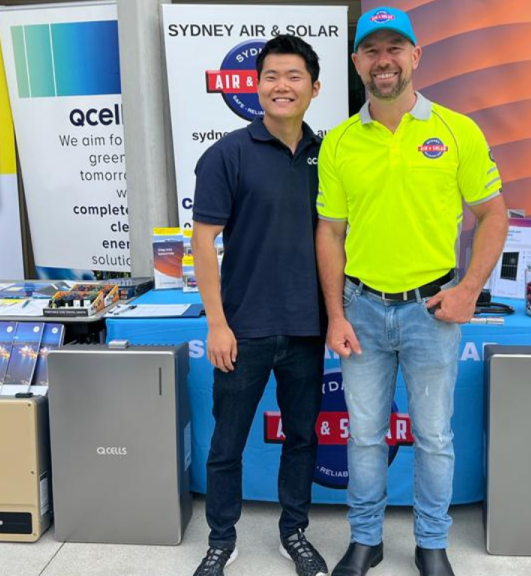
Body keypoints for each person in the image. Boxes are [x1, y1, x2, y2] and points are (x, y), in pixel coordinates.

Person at [315, 7, 509, 576]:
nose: (384, 60)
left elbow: (494, 215)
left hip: (433, 311)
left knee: (433, 437)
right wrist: (335, 314)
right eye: (371, 50)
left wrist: (470, 288)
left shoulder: (456, 131)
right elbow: (330, 232)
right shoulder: (340, 143)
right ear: (356, 62)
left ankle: (431, 544)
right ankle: (366, 540)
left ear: (416, 56)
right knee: (366, 438)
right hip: (362, 310)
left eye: (395, 48)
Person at [191, 34, 329, 576]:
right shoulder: (226, 154)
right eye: (271, 76)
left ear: (314, 88)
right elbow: (203, 244)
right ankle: (220, 540)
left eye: (294, 76)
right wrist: (218, 324)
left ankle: (294, 532)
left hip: (307, 329)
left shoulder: (329, 156)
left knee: (301, 439)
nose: (282, 86)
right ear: (256, 85)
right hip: (242, 329)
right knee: (227, 443)